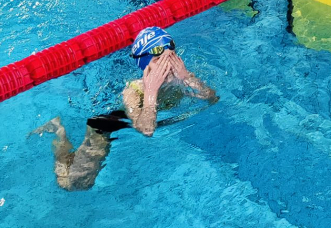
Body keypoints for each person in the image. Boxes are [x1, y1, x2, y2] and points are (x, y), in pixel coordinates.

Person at [32, 27, 217, 191]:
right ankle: (59, 131)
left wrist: (189, 79)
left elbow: (212, 99)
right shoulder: (134, 91)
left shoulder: (179, 78)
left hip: (133, 120)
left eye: (171, 59)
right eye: (159, 61)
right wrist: (151, 92)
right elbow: (146, 129)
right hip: (105, 124)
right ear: (145, 66)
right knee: (74, 183)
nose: (167, 67)